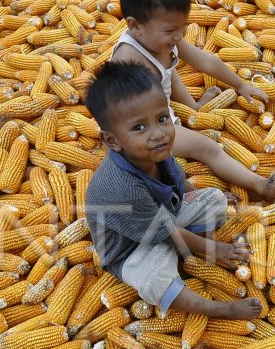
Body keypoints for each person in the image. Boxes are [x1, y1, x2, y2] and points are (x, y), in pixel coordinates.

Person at [84, 61, 263, 321]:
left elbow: (180, 183)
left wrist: (199, 197)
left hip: (162, 217)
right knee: (155, 280)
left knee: (213, 198)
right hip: (132, 248)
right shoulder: (121, 187)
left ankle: (186, 252)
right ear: (112, 141)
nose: (159, 134)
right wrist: (216, 249)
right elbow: (167, 232)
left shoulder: (155, 150)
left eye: (162, 119)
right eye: (139, 127)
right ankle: (217, 309)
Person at [112, 0, 275, 202]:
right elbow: (137, 141)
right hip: (142, 130)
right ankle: (259, 184)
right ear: (135, 25)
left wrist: (240, 85)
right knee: (208, 148)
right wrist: (190, 191)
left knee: (168, 67)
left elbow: (206, 62)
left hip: (157, 107)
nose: (179, 36)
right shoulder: (129, 64)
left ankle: (193, 107)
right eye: (170, 31)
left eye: (183, 28)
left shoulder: (161, 38)